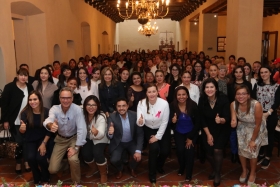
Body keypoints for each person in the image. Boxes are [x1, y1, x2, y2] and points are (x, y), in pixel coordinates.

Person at [43, 87, 87, 183]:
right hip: (60, 139)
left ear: (72, 98)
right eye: (63, 98)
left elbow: (81, 129)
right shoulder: (55, 108)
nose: (65, 100)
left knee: (73, 159)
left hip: (74, 138)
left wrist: (76, 148)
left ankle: (76, 183)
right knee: (52, 170)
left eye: (68, 98)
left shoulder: (77, 110)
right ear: (59, 98)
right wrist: (51, 125)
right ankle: (66, 164)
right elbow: (48, 120)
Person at [230, 85, 268, 185]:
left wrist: (252, 140)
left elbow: (258, 124)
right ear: (235, 96)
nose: (240, 96)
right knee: (241, 150)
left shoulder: (256, 105)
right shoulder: (233, 104)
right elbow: (234, 118)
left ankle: (252, 172)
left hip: (256, 128)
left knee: (252, 151)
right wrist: (233, 122)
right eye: (238, 94)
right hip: (242, 126)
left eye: (243, 94)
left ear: (248, 95)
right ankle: (244, 170)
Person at [198, 78, 230, 187]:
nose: (209, 89)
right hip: (207, 129)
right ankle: (216, 169)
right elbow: (201, 119)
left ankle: (217, 174)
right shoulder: (202, 99)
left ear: (216, 88)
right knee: (208, 152)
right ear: (204, 89)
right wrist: (208, 134)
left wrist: (221, 120)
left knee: (217, 150)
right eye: (207, 87)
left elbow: (227, 117)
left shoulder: (223, 99)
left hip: (222, 129)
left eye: (212, 87)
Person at [1, 68, 34, 174]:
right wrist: (5, 120)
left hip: (27, 119)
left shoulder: (29, 87)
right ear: (17, 75)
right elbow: (4, 105)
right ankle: (19, 162)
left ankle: (26, 162)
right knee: (18, 142)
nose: (23, 77)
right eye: (21, 75)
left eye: (25, 75)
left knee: (27, 142)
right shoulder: (9, 87)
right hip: (14, 120)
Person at [136, 84, 170, 183]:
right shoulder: (141, 103)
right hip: (149, 128)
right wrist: (140, 121)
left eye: (154, 91)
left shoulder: (164, 103)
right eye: (149, 92)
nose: (152, 94)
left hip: (162, 128)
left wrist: (158, 136)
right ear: (146, 93)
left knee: (165, 151)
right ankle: (152, 174)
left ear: (157, 92)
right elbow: (139, 121)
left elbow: (164, 122)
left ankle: (158, 165)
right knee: (154, 149)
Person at [107, 97, 144, 179]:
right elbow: (108, 135)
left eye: (123, 106)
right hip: (118, 143)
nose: (121, 108)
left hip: (131, 142)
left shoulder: (135, 115)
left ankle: (131, 167)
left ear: (127, 106)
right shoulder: (112, 117)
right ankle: (120, 169)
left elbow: (140, 134)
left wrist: (138, 151)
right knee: (114, 160)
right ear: (116, 107)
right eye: (119, 106)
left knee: (138, 157)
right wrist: (110, 133)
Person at [20, 91, 52, 184]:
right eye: (30, 100)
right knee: (30, 158)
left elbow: (49, 130)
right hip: (30, 139)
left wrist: (44, 143)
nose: (32, 102)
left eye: (35, 99)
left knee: (40, 158)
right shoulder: (25, 113)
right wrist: (22, 129)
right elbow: (22, 131)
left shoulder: (46, 111)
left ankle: (46, 176)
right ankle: (37, 176)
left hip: (43, 138)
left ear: (40, 100)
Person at [252, 66, 280, 169]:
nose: (263, 74)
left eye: (266, 72)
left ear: (270, 73)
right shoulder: (257, 85)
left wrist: (268, 113)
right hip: (258, 113)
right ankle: (260, 154)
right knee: (259, 134)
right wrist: (259, 113)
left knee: (269, 135)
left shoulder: (277, 86)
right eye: (261, 72)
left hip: (271, 114)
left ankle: (268, 156)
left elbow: (277, 102)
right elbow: (253, 99)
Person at [169, 86, 199, 181]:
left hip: (191, 132)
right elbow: (169, 122)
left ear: (187, 95)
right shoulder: (172, 105)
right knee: (180, 151)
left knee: (189, 151)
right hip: (179, 132)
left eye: (183, 94)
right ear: (176, 96)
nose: (181, 96)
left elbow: (198, 123)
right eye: (179, 95)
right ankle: (182, 167)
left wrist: (190, 138)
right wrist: (173, 121)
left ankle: (189, 173)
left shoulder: (193, 105)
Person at [81, 95, 109, 182]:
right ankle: (94, 168)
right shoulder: (82, 113)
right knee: (85, 154)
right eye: (88, 105)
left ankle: (103, 173)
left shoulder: (101, 116)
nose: (91, 107)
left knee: (97, 153)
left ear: (98, 106)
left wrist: (96, 132)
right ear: (85, 105)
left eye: (94, 105)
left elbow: (101, 133)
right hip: (88, 137)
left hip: (100, 138)